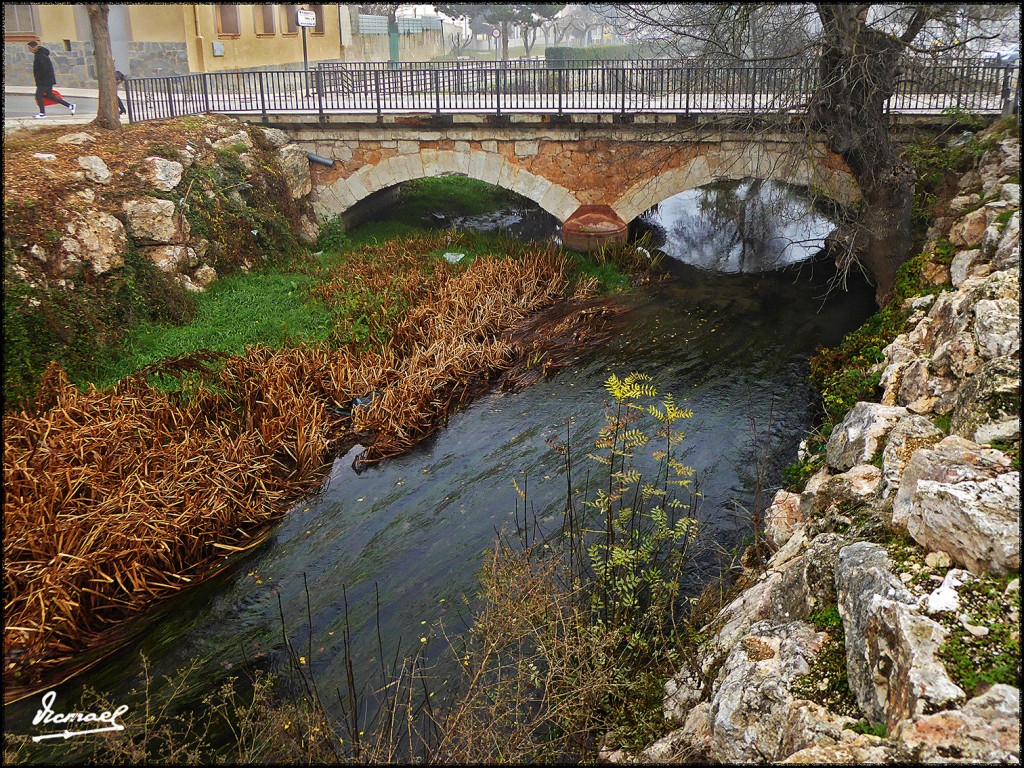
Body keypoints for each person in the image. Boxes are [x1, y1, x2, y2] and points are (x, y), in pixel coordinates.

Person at [28, 40, 75, 118]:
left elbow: (44, 69)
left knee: (38, 95)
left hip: (44, 80)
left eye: (29, 48)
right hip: (47, 79)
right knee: (50, 96)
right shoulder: (40, 54)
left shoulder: (40, 55)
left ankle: (42, 113)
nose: (29, 50)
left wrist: (40, 79)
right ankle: (70, 106)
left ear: (34, 47)